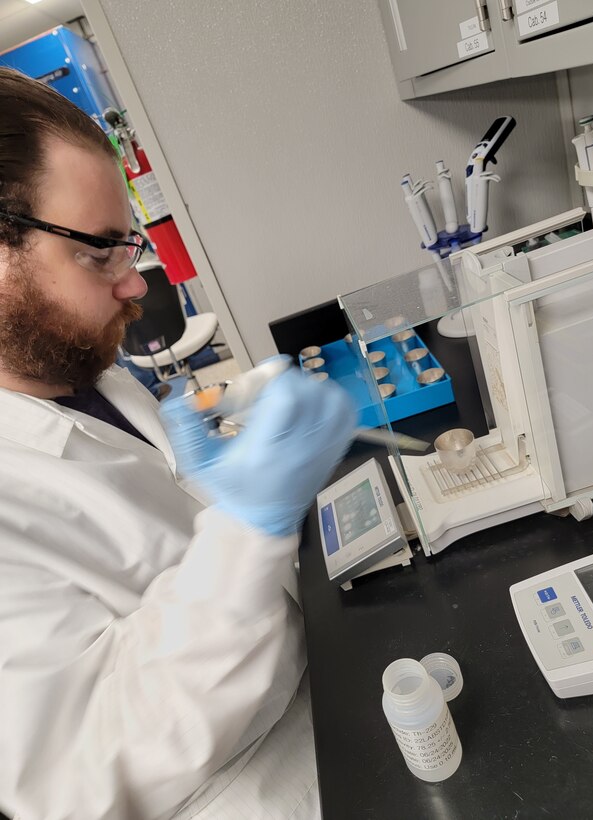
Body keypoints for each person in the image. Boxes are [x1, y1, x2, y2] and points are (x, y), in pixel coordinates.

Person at [0, 68, 356, 820]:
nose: (135, 286)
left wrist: (222, 480)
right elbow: (78, 779)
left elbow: (160, 548)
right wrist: (242, 527)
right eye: (99, 253)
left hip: (328, 700)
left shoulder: (87, 374)